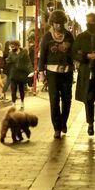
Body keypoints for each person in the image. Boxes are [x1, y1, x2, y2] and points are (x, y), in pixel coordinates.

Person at [37, 10, 75, 139]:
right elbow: (42, 55)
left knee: (67, 99)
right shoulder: (47, 37)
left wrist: (68, 50)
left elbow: (74, 53)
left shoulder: (69, 36)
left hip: (67, 72)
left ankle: (64, 122)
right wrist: (41, 73)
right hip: (52, 73)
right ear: (52, 23)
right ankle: (57, 128)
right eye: (56, 23)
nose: (58, 26)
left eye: (61, 23)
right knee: (54, 100)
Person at [5, 40, 31, 109]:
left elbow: (28, 62)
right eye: (11, 47)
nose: (12, 48)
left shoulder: (24, 52)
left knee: (21, 89)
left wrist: (30, 71)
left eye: (13, 46)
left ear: (18, 46)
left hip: (21, 73)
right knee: (13, 89)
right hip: (13, 73)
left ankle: (22, 102)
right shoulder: (11, 53)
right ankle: (13, 103)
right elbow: (8, 60)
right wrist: (8, 60)